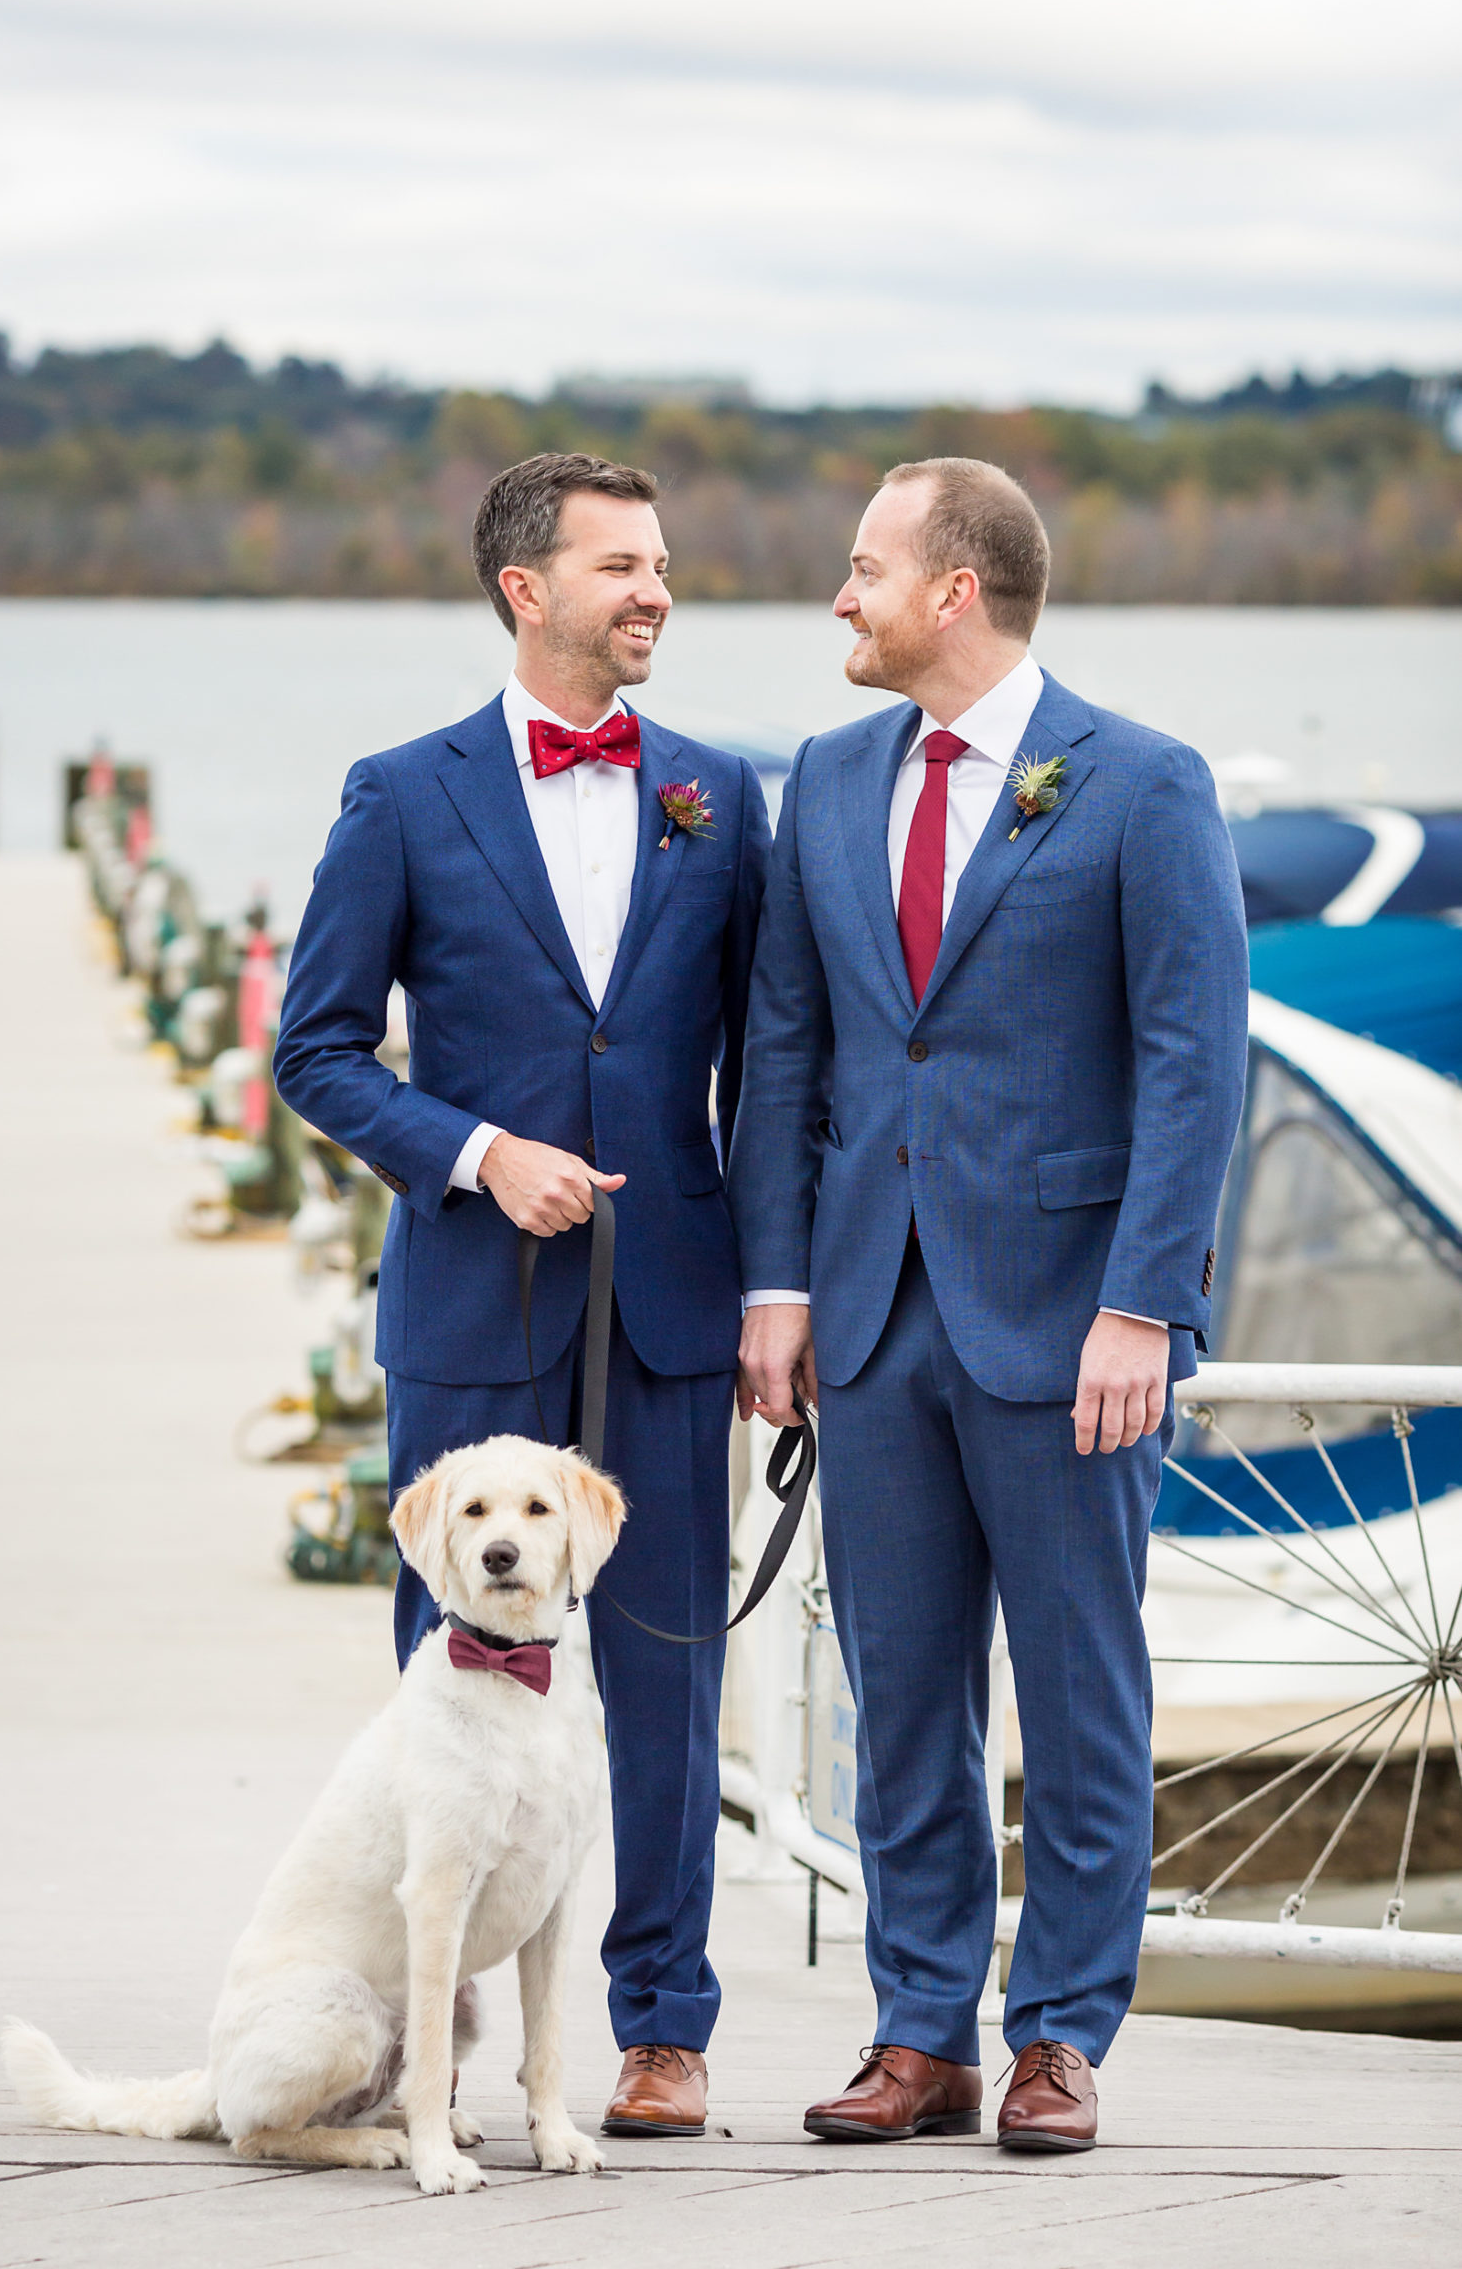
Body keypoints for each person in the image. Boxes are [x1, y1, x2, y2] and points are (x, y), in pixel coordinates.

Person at [730, 457, 1247, 2155]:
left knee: (1085, 1691)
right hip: (871, 1317)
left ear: (956, 589)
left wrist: (1146, 1307)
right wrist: (783, 1283)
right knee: (900, 1694)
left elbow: (1192, 1063)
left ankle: (1061, 2039)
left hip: (1069, 1324)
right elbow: (793, 1049)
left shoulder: (1142, 783)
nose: (841, 598)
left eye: (865, 568)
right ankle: (919, 2033)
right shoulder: (829, 777)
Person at [274, 450, 770, 2137]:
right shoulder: (400, 795)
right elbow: (318, 1053)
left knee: (669, 1676)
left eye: (661, 562)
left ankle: (662, 2028)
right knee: (453, 1698)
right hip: (475, 1313)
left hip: (674, 1305)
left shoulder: (717, 796)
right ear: (524, 590)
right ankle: (434, 2049)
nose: (656, 592)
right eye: (622, 565)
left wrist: (777, 1288)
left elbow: (768, 1071)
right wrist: (480, 1153)